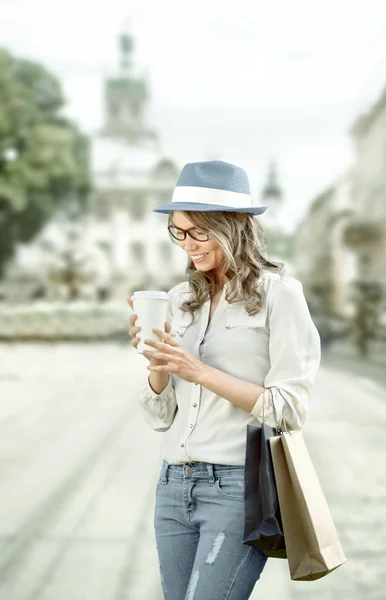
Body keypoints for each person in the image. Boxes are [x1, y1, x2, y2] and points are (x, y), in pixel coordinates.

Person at [127, 160, 321, 600]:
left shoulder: (280, 294)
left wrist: (199, 371)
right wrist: (159, 361)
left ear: (233, 227)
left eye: (199, 232)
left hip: (237, 489)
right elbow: (160, 417)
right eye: (179, 232)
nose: (188, 246)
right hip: (173, 484)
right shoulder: (180, 299)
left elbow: (289, 409)